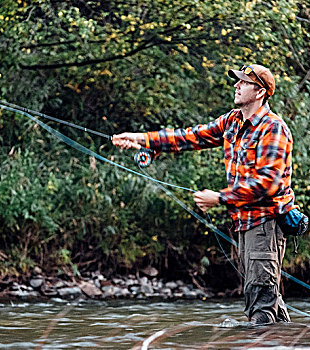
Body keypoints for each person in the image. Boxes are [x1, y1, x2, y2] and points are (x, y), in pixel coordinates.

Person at [112, 64, 295, 324]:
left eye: (243, 82)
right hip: (244, 224)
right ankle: (292, 340)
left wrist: (219, 198)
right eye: (238, 81)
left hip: (265, 225)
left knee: (261, 300)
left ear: (260, 92)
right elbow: (190, 137)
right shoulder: (232, 120)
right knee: (266, 299)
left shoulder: (273, 128)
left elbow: (267, 184)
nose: (236, 85)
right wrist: (143, 140)